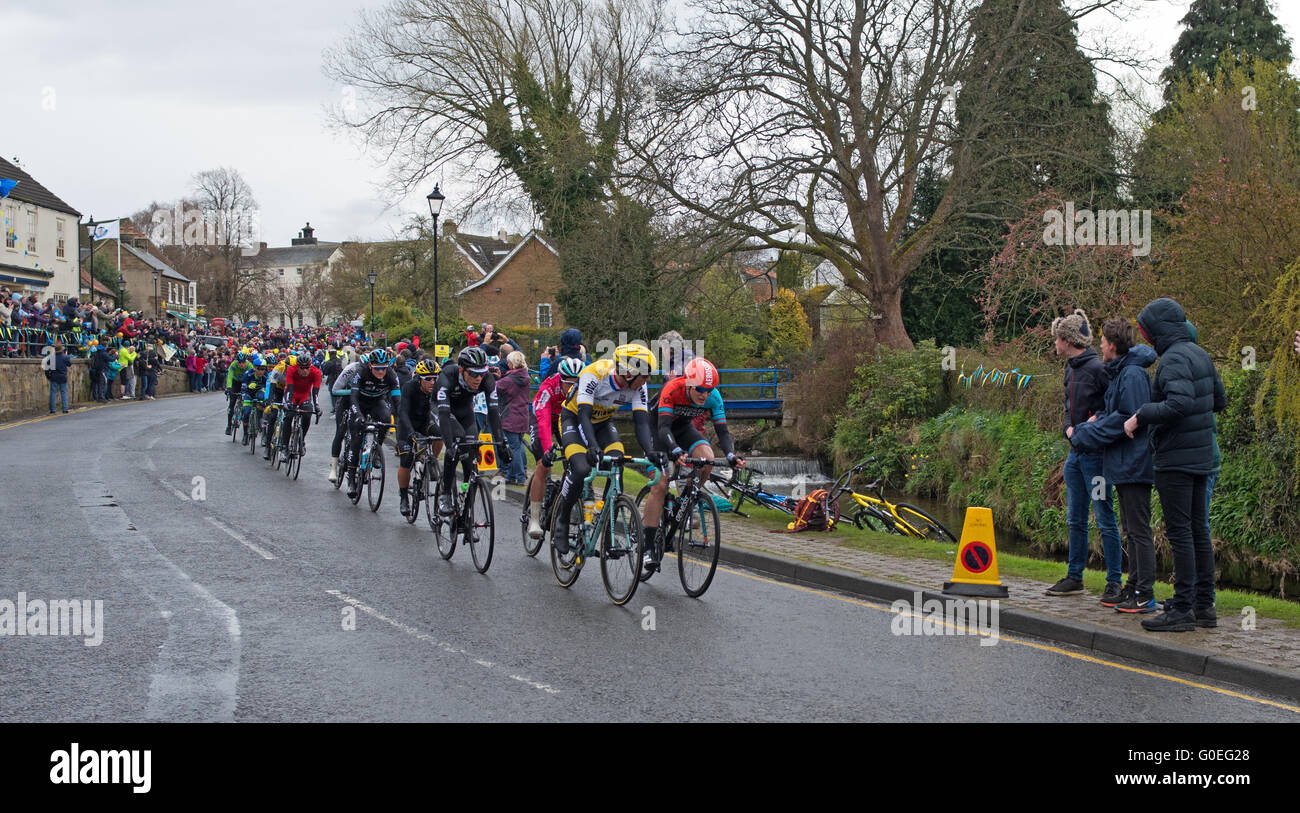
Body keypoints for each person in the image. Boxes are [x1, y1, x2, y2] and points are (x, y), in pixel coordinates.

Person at [1124, 298, 1226, 633]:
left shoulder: (1173, 359)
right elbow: (1219, 400)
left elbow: (1178, 404)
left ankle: (1182, 609)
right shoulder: (1200, 354)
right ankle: (1203, 606)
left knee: (1180, 534)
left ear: (1157, 331)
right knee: (1199, 532)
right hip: (1200, 458)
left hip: (1176, 460)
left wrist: (1142, 414)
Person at [1067, 319, 1157, 612]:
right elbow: (1112, 412)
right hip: (1122, 461)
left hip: (1135, 461)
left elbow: (1126, 418)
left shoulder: (1131, 375)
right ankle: (1132, 586)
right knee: (1130, 527)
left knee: (1139, 530)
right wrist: (1092, 424)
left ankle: (1143, 593)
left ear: (1113, 346)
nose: (1100, 345)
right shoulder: (1121, 373)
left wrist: (1085, 433)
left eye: (1104, 340)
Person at [550, 344, 663, 555]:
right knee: (582, 468)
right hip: (574, 420)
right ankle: (562, 520)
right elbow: (583, 415)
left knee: (617, 461)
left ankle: (609, 527)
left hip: (602, 423)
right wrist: (592, 446)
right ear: (628, 373)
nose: (648, 380)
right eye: (645, 376)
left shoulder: (638, 386)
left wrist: (650, 451)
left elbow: (641, 423)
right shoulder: (594, 373)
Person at [1045, 309, 1124, 600]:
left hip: (1097, 456)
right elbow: (1068, 408)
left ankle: (1114, 581)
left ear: (1066, 339)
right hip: (1075, 455)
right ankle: (1074, 576)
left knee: (1104, 517)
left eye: (1056, 339)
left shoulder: (1098, 369)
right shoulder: (1070, 369)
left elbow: (1114, 406)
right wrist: (1069, 430)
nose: (1054, 343)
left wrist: (1094, 423)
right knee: (1074, 518)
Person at [435, 346, 509, 515]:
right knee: (457, 441)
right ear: (461, 370)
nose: (478, 378)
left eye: (482, 373)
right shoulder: (447, 377)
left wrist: (502, 442)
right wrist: (449, 444)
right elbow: (444, 415)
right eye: (474, 374)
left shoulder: (487, 379)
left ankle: (467, 512)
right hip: (444, 410)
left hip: (466, 411)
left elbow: (493, 411)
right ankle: (445, 494)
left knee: (471, 460)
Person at [525, 355, 584, 539]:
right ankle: (534, 518)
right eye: (568, 383)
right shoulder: (549, 388)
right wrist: (548, 449)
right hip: (544, 419)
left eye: (577, 383)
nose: (572, 388)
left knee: (576, 462)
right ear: (560, 378)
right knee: (544, 465)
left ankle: (568, 501)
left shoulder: (583, 392)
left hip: (565, 420)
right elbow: (543, 423)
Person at [344, 349, 401, 499]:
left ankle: (376, 449)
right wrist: (357, 414)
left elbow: (397, 399)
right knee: (356, 438)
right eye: (377, 368)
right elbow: (353, 397)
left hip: (377, 402)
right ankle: (351, 478)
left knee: (386, 420)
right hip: (360, 403)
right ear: (370, 366)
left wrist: (401, 418)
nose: (381, 371)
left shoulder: (391, 374)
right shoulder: (361, 372)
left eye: (384, 367)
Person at [396, 358, 443, 518]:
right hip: (407, 424)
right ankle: (403, 497)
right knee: (406, 459)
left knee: (440, 434)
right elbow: (402, 412)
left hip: (424, 422)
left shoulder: (438, 389)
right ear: (419, 379)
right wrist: (410, 433)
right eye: (428, 379)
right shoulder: (410, 387)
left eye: (435, 378)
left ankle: (431, 463)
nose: (432, 382)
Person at [494, 351, 532, 485]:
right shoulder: (525, 376)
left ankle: (520, 476)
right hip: (522, 416)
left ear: (511, 363)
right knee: (518, 445)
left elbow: (495, 389)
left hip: (510, 417)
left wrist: (496, 378)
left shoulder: (508, 380)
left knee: (513, 448)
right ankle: (511, 476)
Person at [46, 342, 70, 414]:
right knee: (64, 392)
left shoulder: (51, 358)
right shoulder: (65, 357)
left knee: (53, 393)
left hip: (54, 376)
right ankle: (65, 408)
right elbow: (69, 364)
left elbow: (47, 368)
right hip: (63, 376)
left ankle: (53, 409)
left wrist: (48, 376)